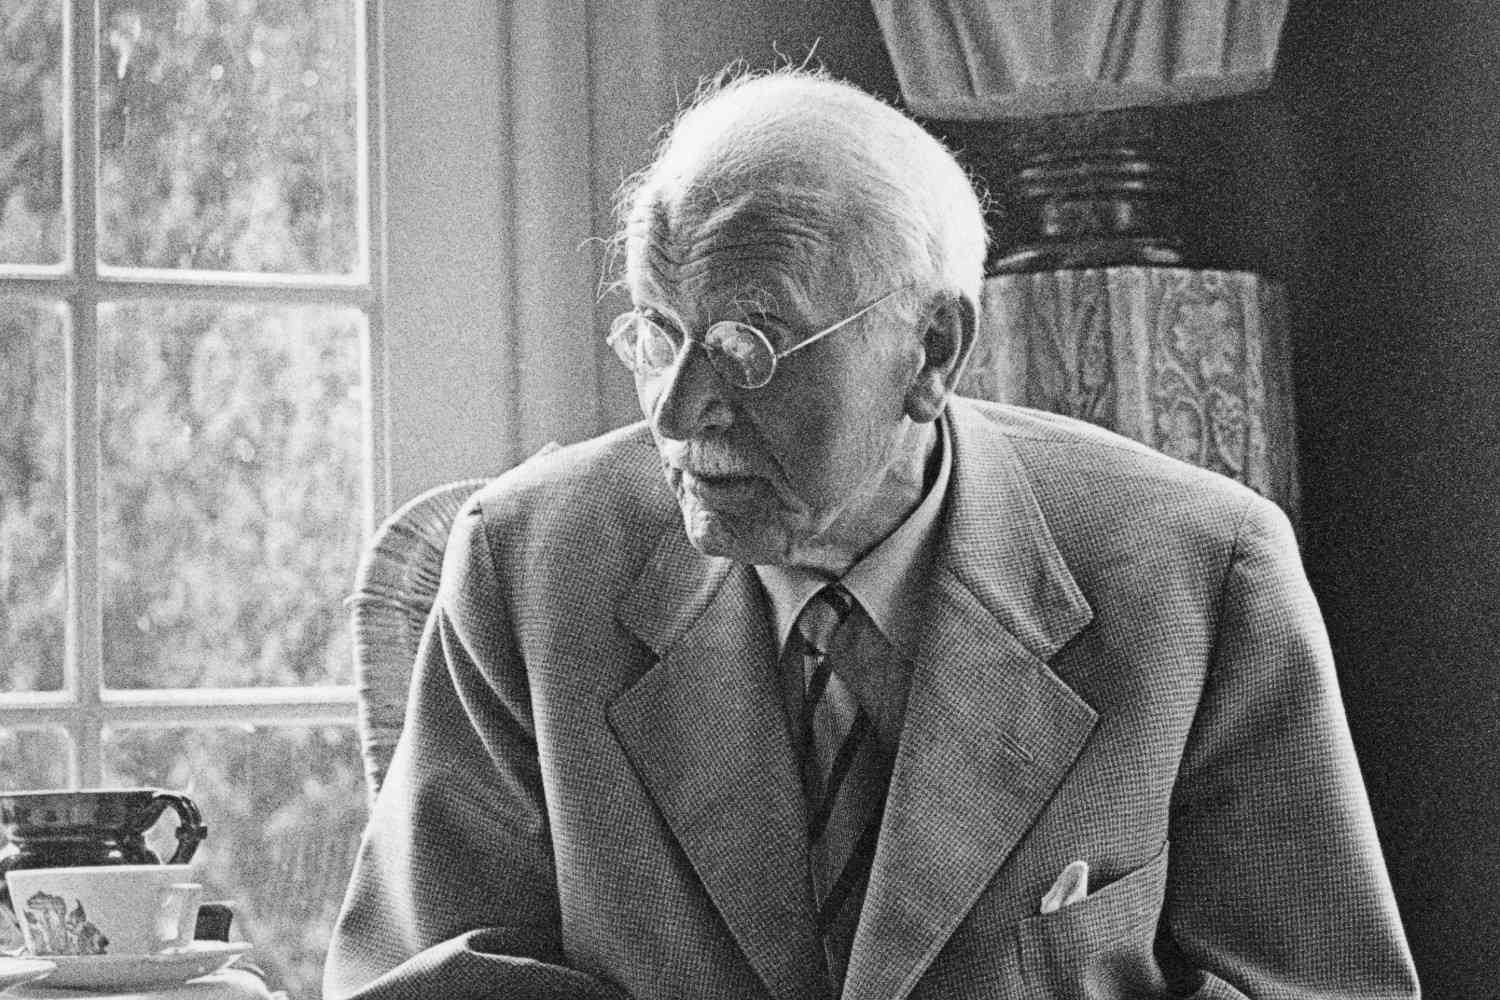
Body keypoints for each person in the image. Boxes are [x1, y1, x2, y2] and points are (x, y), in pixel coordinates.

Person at [325, 69, 1419, 1000]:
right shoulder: (528, 567)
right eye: (657, 335)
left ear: (932, 350)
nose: (677, 412)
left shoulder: (1200, 576)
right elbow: (433, 979)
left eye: (748, 348)